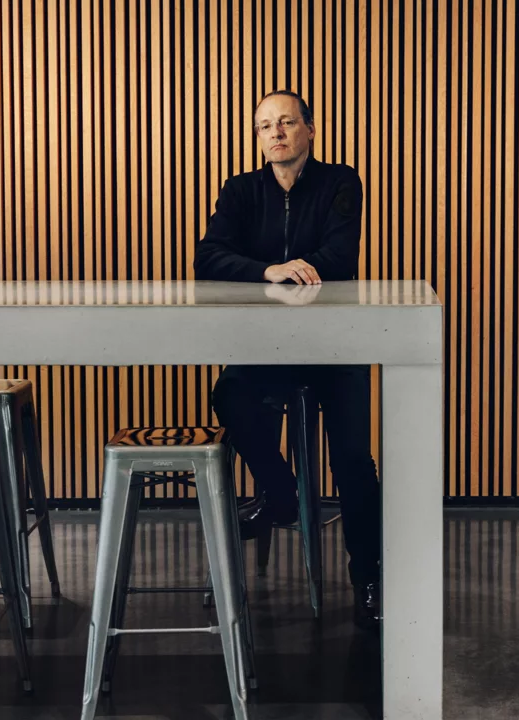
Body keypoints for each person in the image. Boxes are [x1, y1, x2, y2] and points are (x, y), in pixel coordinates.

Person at [194, 90, 380, 626]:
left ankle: (369, 579)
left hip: (334, 344)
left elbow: (338, 259)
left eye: (286, 122)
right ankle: (281, 494)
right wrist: (268, 271)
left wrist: (281, 268)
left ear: (309, 130)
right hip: (267, 343)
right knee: (230, 393)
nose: (275, 132)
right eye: (264, 126)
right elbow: (207, 257)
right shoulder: (240, 190)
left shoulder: (340, 182)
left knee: (353, 460)